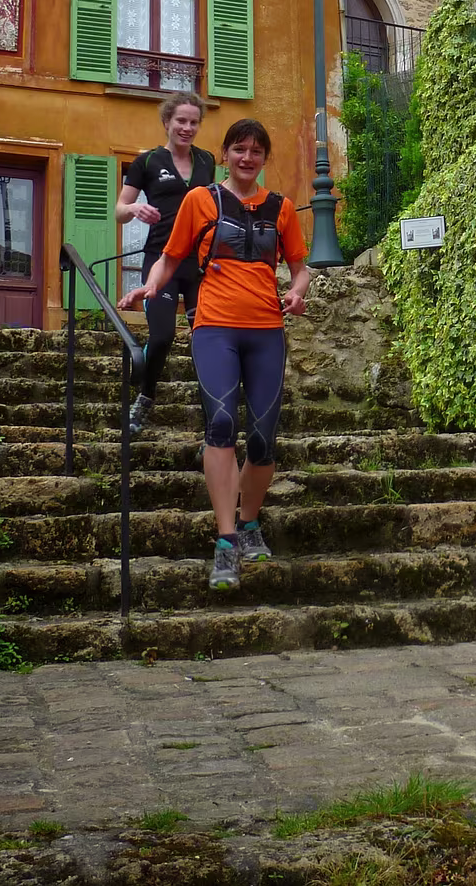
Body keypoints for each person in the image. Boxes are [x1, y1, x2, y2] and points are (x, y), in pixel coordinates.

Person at [119, 118, 312, 591]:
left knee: (263, 439)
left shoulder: (282, 208)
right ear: (224, 154)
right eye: (239, 149)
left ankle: (249, 523)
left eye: (256, 151)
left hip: (266, 331)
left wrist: (297, 292)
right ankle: (226, 540)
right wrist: (150, 286)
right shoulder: (200, 200)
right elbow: (170, 256)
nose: (247, 157)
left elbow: (300, 268)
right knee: (221, 425)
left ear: (264, 158)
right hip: (214, 328)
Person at [116, 93, 216, 432]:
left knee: (208, 339)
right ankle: (145, 396)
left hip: (199, 265)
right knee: (161, 336)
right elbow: (119, 211)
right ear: (166, 122)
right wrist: (134, 209)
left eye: (194, 122)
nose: (187, 128)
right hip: (160, 260)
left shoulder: (206, 161)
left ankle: (213, 414)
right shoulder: (147, 162)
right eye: (181, 121)